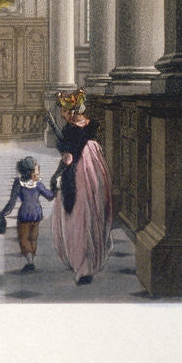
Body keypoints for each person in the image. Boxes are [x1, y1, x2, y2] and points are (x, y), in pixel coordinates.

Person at [47, 87, 114, 285]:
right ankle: (92, 257)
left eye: (66, 113)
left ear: (74, 111)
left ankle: (82, 265)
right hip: (95, 168)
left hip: (78, 172)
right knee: (94, 209)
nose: (64, 116)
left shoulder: (70, 130)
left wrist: (57, 174)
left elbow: (68, 158)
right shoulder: (92, 125)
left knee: (78, 215)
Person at [0, 156, 55, 271]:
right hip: (37, 214)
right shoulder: (38, 184)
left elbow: (12, 202)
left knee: (23, 238)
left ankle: (30, 262)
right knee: (33, 238)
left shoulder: (18, 184)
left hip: (24, 215)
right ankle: (31, 259)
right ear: (31, 171)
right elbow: (50, 196)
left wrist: (3, 213)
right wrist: (55, 188)